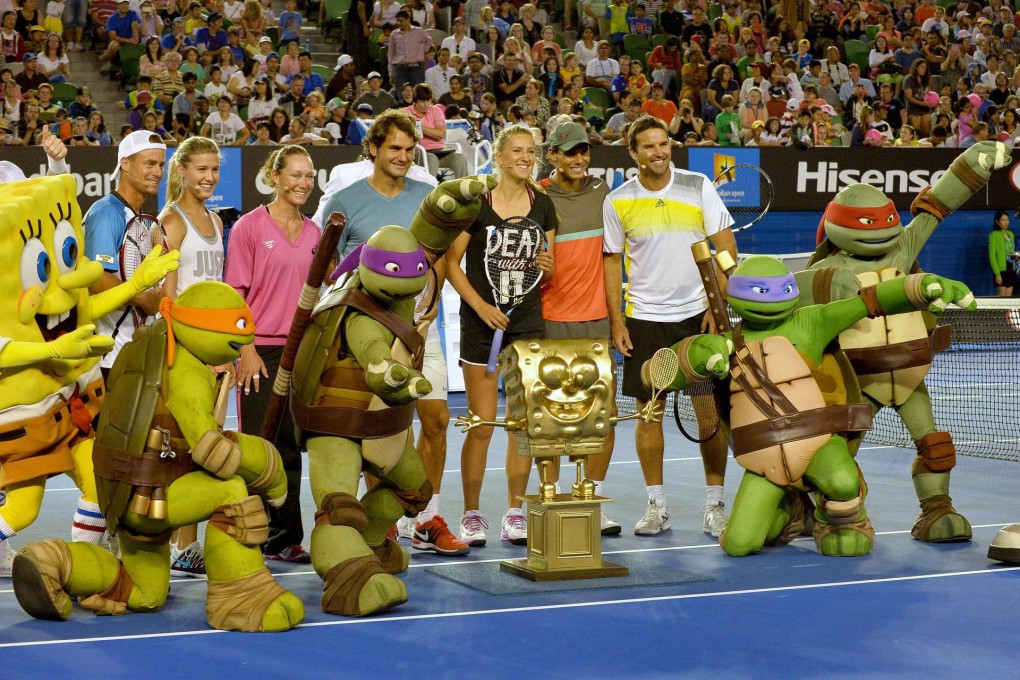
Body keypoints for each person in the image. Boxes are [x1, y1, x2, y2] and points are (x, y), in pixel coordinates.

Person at [317, 110, 467, 556]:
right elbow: (327, 265)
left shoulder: (428, 195)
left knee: (436, 419)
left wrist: (434, 293)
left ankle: (425, 517)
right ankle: (382, 523)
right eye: (394, 149)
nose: (402, 156)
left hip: (423, 330)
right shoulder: (344, 201)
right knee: (377, 431)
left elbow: (438, 253)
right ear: (373, 150)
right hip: (371, 337)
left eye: (408, 149)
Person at [602, 114, 734, 537]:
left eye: (664, 144)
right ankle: (657, 505)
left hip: (698, 317)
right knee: (648, 415)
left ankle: (715, 505)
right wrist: (616, 319)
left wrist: (719, 304)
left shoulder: (698, 186)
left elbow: (727, 249)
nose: (659, 152)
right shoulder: (618, 200)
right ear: (634, 153)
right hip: (645, 319)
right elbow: (610, 262)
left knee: (709, 414)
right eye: (649, 146)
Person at [444, 125, 557, 546]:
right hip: (481, 327)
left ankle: (515, 512)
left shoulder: (542, 205)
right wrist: (481, 308)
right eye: (517, 151)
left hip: (527, 326)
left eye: (531, 152)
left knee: (521, 424)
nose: (526, 158)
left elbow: (550, 266)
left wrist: (547, 265)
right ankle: (471, 515)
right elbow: (452, 264)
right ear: (501, 157)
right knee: (482, 424)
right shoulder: (477, 204)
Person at [225, 144, 320, 564]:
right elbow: (235, 297)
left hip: (301, 352)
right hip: (259, 350)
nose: (303, 183)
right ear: (276, 177)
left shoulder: (317, 232)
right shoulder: (248, 227)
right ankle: (253, 531)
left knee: (291, 445)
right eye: (295, 175)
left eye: (309, 176)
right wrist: (245, 351)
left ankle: (286, 538)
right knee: (259, 446)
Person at [537, 121, 620, 535]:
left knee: (601, 420)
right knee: (551, 421)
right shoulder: (536, 195)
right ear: (552, 155)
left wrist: (617, 320)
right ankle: (551, 501)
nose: (579, 160)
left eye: (583, 152)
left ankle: (592, 498)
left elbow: (614, 258)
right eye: (570, 153)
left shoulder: (603, 194)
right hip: (550, 323)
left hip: (596, 324)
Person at [155, 136, 227, 577]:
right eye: (201, 169)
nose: (209, 177)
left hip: (212, 355)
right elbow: (165, 301)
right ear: (181, 171)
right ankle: (170, 541)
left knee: (205, 449)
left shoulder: (217, 220)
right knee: (178, 450)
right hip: (182, 354)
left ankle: (188, 544)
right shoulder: (171, 221)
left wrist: (224, 352)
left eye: (214, 170)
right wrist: (181, 353)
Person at [84, 130, 167, 380]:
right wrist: (144, 298)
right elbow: (95, 280)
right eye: (149, 163)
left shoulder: (139, 220)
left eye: (161, 165)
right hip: (108, 355)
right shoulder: (108, 213)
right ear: (125, 164)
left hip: (130, 350)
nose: (157, 172)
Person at [990, 209, 1016, 297]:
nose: (1006, 223)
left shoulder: (1010, 234)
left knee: (1009, 301)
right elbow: (992, 256)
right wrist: (997, 274)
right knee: (1002, 299)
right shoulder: (994, 235)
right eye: (1003, 220)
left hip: (1011, 270)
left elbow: (1012, 252)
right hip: (1001, 271)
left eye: (1007, 220)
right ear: (997, 222)